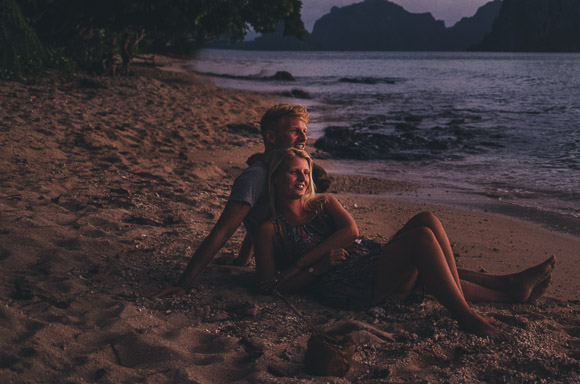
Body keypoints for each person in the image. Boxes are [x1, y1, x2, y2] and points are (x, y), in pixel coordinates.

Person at [257, 148, 554, 337]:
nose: (302, 177)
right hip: (347, 283)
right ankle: (467, 316)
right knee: (422, 241)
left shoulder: (323, 204)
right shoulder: (270, 230)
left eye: (306, 172)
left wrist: (301, 262)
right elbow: (269, 287)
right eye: (294, 171)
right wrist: (316, 269)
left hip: (369, 256)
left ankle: (507, 286)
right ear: (275, 179)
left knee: (427, 219)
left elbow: (350, 231)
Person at [152, 103, 311, 297]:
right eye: (295, 131)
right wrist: (183, 283)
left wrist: (244, 258)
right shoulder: (255, 177)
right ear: (271, 136)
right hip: (300, 262)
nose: (304, 139)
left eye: (305, 131)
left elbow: (263, 212)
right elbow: (223, 230)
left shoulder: (291, 172)